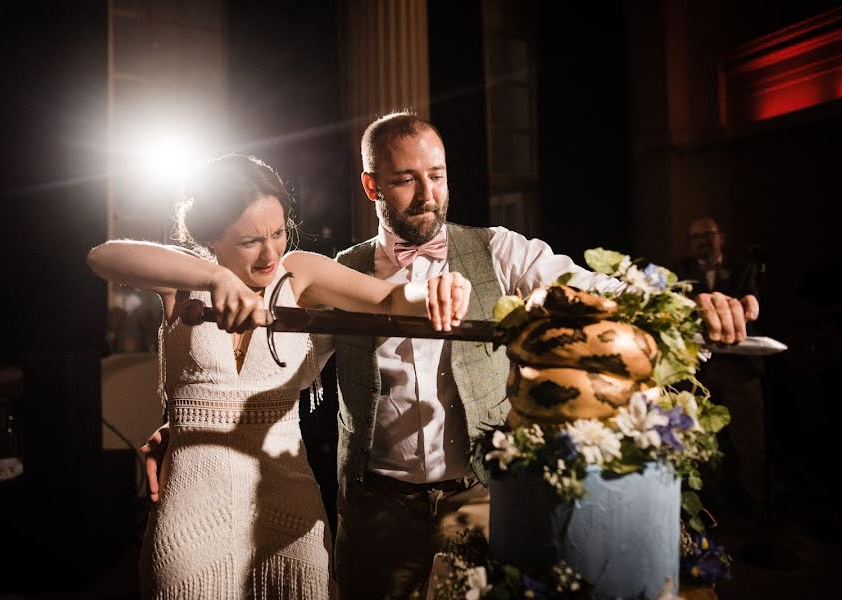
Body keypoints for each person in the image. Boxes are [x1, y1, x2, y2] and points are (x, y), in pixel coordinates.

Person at [144, 114, 759, 600]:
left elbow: (593, 293)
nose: (426, 192)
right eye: (405, 179)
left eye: (436, 174)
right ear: (372, 186)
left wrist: (684, 307)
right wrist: (185, 421)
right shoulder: (338, 275)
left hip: (484, 498)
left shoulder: (499, 251)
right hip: (376, 506)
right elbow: (273, 369)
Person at [87, 154, 471, 600]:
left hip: (286, 498)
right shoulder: (183, 279)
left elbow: (389, 300)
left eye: (277, 232)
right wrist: (213, 277)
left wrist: (436, 288)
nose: (270, 253)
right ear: (212, 236)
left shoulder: (299, 272)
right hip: (191, 505)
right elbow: (102, 257)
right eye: (251, 240)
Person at [674, 217, 770, 523]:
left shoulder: (744, 267)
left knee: (750, 440)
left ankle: (760, 508)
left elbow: (752, 304)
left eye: (708, 235)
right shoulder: (680, 272)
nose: (702, 241)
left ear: (722, 237)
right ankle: (713, 511)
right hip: (700, 371)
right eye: (695, 237)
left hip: (740, 368)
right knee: (703, 442)